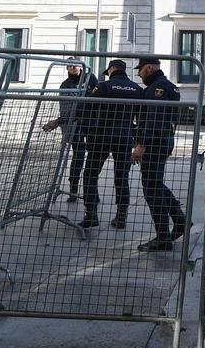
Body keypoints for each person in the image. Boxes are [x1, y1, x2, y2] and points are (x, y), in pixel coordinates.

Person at [132, 56, 187, 252]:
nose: (139, 74)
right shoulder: (165, 86)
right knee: (155, 184)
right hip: (162, 140)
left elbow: (154, 119)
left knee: (151, 189)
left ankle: (163, 237)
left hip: (155, 143)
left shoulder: (158, 89)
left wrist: (141, 145)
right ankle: (180, 221)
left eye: (140, 70)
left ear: (149, 68)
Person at [79, 59, 141, 230]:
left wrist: (89, 130)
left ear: (112, 69)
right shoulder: (136, 89)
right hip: (124, 137)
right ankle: (121, 217)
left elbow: (87, 108)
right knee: (121, 177)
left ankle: (91, 214)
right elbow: (141, 115)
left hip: (102, 136)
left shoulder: (104, 86)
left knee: (91, 174)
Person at [42, 59, 91, 203]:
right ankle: (73, 190)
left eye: (75, 65)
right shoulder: (65, 85)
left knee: (93, 157)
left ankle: (90, 191)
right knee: (79, 154)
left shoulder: (90, 78)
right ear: (67, 69)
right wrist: (60, 121)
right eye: (70, 66)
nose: (73, 67)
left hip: (92, 123)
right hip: (75, 124)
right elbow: (67, 109)